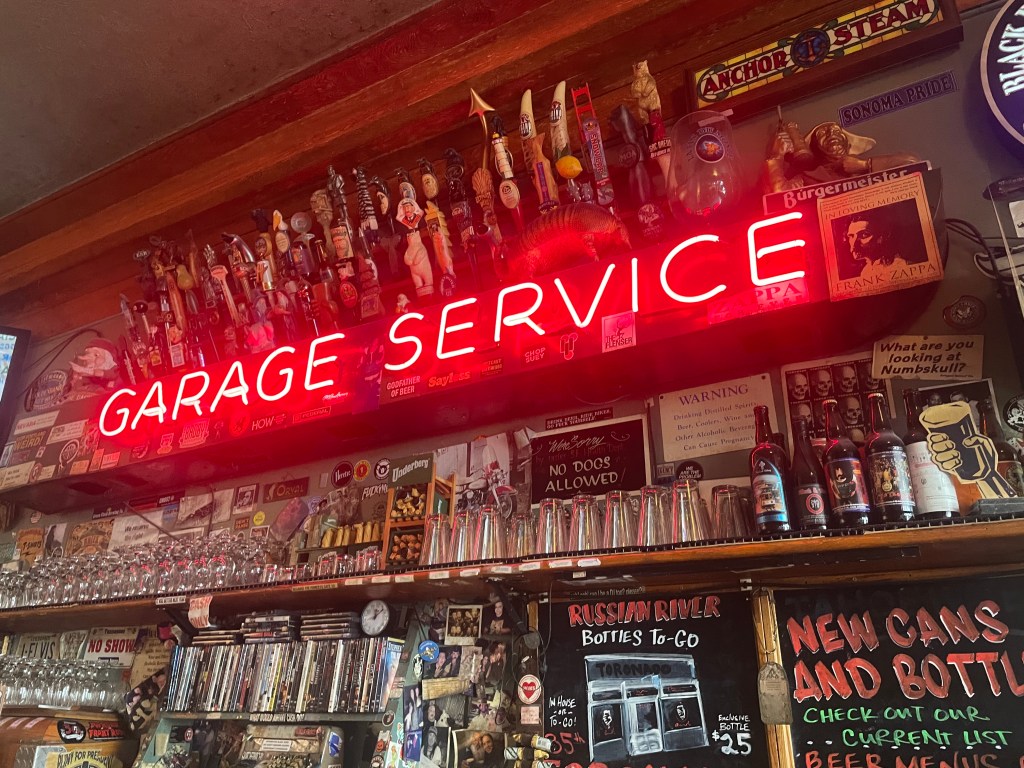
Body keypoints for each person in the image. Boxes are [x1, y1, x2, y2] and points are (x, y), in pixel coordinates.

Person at [845, 213, 907, 278]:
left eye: (864, 235)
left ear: (882, 237)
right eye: (851, 236)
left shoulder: (900, 267)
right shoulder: (866, 271)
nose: (854, 244)